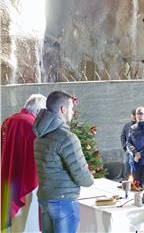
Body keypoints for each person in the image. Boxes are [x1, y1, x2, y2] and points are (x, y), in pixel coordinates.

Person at [33, 91, 94, 233]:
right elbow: (82, 176)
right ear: (63, 109)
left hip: (45, 198)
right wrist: (90, 179)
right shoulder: (67, 137)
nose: (73, 112)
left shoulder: (40, 136)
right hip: (63, 200)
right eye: (71, 108)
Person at [1, 94, 46, 232]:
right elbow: (38, 154)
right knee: (25, 225)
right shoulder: (31, 124)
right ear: (39, 111)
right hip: (26, 182)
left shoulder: (9, 120)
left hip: (9, 172)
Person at [121, 109, 136, 179]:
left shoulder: (141, 126)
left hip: (138, 151)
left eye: (135, 117)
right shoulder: (127, 125)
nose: (134, 118)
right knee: (127, 165)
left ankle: (138, 184)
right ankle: (126, 181)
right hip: (128, 151)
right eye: (132, 116)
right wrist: (125, 147)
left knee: (137, 168)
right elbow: (123, 137)